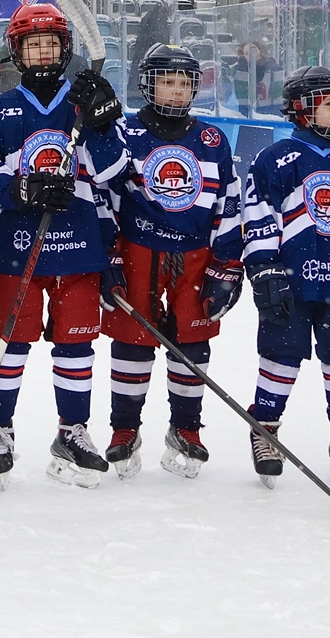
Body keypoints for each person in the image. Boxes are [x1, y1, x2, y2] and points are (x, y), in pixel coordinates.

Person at [0, 2, 127, 486]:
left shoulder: (85, 103)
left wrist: (100, 126)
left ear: (64, 50)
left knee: (76, 347)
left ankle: (73, 430)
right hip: (18, 245)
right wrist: (18, 190)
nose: (42, 52)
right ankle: (0, 430)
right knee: (9, 345)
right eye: (32, 43)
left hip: (78, 245)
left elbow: (116, 173)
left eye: (51, 43)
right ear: (17, 51)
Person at [103, 42, 244, 479]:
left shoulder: (211, 140)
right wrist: (107, 257)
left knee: (192, 343)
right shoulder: (124, 133)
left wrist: (227, 265)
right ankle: (124, 429)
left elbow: (230, 203)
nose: (178, 92)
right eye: (167, 82)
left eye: (185, 84)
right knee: (133, 341)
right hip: (138, 249)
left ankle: (186, 428)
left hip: (195, 255)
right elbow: (102, 195)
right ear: (148, 85)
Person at [239, 67, 330, 487]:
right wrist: (264, 267)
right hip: (291, 281)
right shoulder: (276, 157)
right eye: (329, 105)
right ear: (302, 110)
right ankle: (265, 426)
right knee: (281, 356)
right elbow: (257, 213)